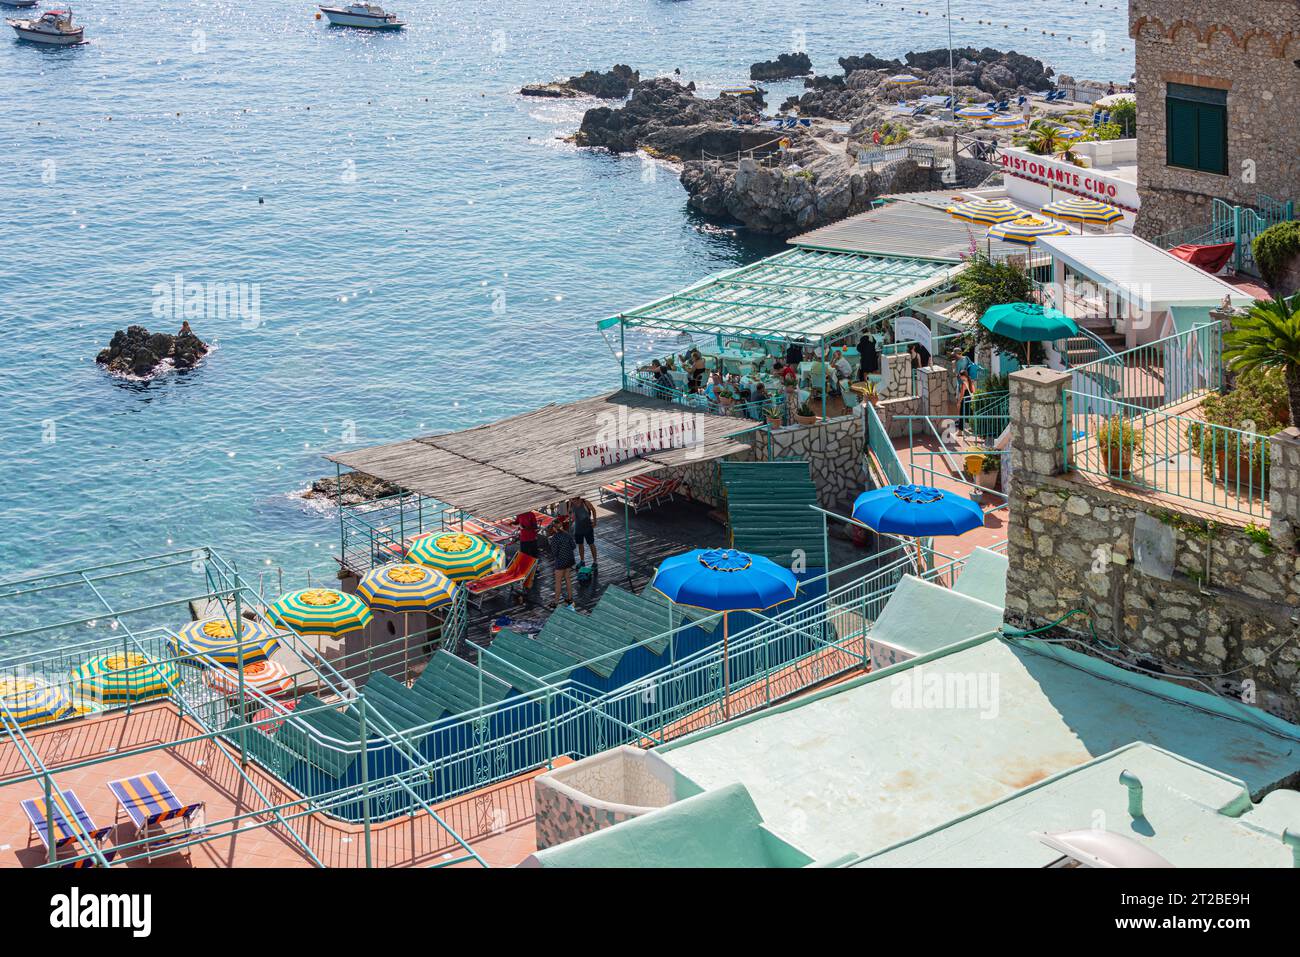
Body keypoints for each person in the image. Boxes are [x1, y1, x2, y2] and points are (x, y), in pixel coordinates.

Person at [548, 516, 577, 610]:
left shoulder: (555, 538)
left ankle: (556, 602)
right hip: (569, 559)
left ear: (553, 528)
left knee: (558, 582)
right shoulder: (567, 534)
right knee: (568, 579)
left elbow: (554, 553)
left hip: (560, 561)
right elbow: (573, 546)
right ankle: (570, 598)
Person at [569, 495, 597, 567]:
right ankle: (582, 561)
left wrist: (594, 521)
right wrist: (571, 514)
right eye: (571, 499)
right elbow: (571, 515)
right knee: (580, 545)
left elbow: (593, 510)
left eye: (573, 499)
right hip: (578, 528)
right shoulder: (571, 504)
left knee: (591, 544)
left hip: (588, 527)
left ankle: (595, 561)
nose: (572, 501)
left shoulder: (585, 502)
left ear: (577, 499)